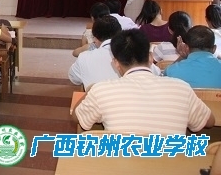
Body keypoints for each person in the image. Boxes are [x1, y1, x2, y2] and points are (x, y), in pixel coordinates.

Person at [73, 29, 215, 135]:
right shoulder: (181, 88)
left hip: (121, 162)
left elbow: (77, 118)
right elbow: (209, 122)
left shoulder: (101, 90)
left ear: (116, 63)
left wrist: (91, 89)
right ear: (150, 57)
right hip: (171, 162)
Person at [68, 16, 125, 90]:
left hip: (95, 96)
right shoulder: (131, 54)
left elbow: (74, 79)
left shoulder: (84, 57)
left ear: (95, 39)